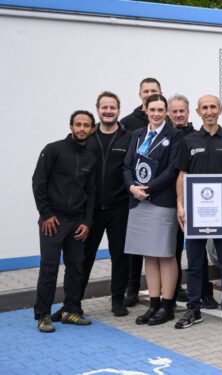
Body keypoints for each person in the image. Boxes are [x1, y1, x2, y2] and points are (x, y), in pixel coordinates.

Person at [175, 95, 222, 329]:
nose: (209, 111)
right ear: (197, 112)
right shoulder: (189, 141)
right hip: (195, 214)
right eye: (204, 107)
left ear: (220, 110)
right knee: (195, 263)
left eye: (213, 107)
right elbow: (182, 175)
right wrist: (181, 205)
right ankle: (193, 309)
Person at [31, 110, 97, 333]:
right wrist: (46, 213)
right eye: (78, 124)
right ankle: (43, 315)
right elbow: (38, 182)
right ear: (71, 126)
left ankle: (71, 310)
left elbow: (91, 192)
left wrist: (87, 222)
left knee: (76, 267)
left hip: (77, 223)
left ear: (92, 129)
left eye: (86, 125)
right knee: (49, 269)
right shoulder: (53, 150)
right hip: (53, 221)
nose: (81, 129)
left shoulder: (91, 157)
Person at [69, 92, 132, 320]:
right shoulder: (88, 136)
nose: (108, 111)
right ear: (98, 110)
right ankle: (74, 302)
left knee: (120, 257)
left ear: (118, 110)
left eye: (112, 107)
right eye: (104, 107)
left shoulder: (129, 137)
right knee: (83, 257)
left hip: (120, 207)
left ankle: (117, 300)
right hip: (90, 210)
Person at [123, 94, 183, 326]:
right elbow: (127, 165)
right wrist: (131, 187)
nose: (157, 114)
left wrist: (146, 188)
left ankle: (167, 306)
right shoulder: (137, 135)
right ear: (145, 110)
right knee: (149, 254)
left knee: (165, 254)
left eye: (161, 110)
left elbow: (172, 170)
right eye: (153, 109)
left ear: (166, 112)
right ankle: (154, 303)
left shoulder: (174, 135)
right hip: (138, 201)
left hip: (161, 200)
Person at [168, 94, 219, 309]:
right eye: (175, 111)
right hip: (169, 202)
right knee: (173, 250)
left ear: (190, 113)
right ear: (170, 113)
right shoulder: (165, 135)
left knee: (198, 251)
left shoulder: (196, 137)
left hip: (198, 205)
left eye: (182, 111)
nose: (179, 115)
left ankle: (205, 293)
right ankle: (173, 291)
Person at [122, 78, 164, 307]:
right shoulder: (130, 124)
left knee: (161, 249)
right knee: (136, 247)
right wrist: (132, 187)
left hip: (158, 196)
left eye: (154, 91)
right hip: (135, 196)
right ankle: (132, 287)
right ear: (140, 95)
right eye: (146, 92)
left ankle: (164, 292)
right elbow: (127, 161)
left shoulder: (166, 126)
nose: (150, 94)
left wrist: (151, 187)